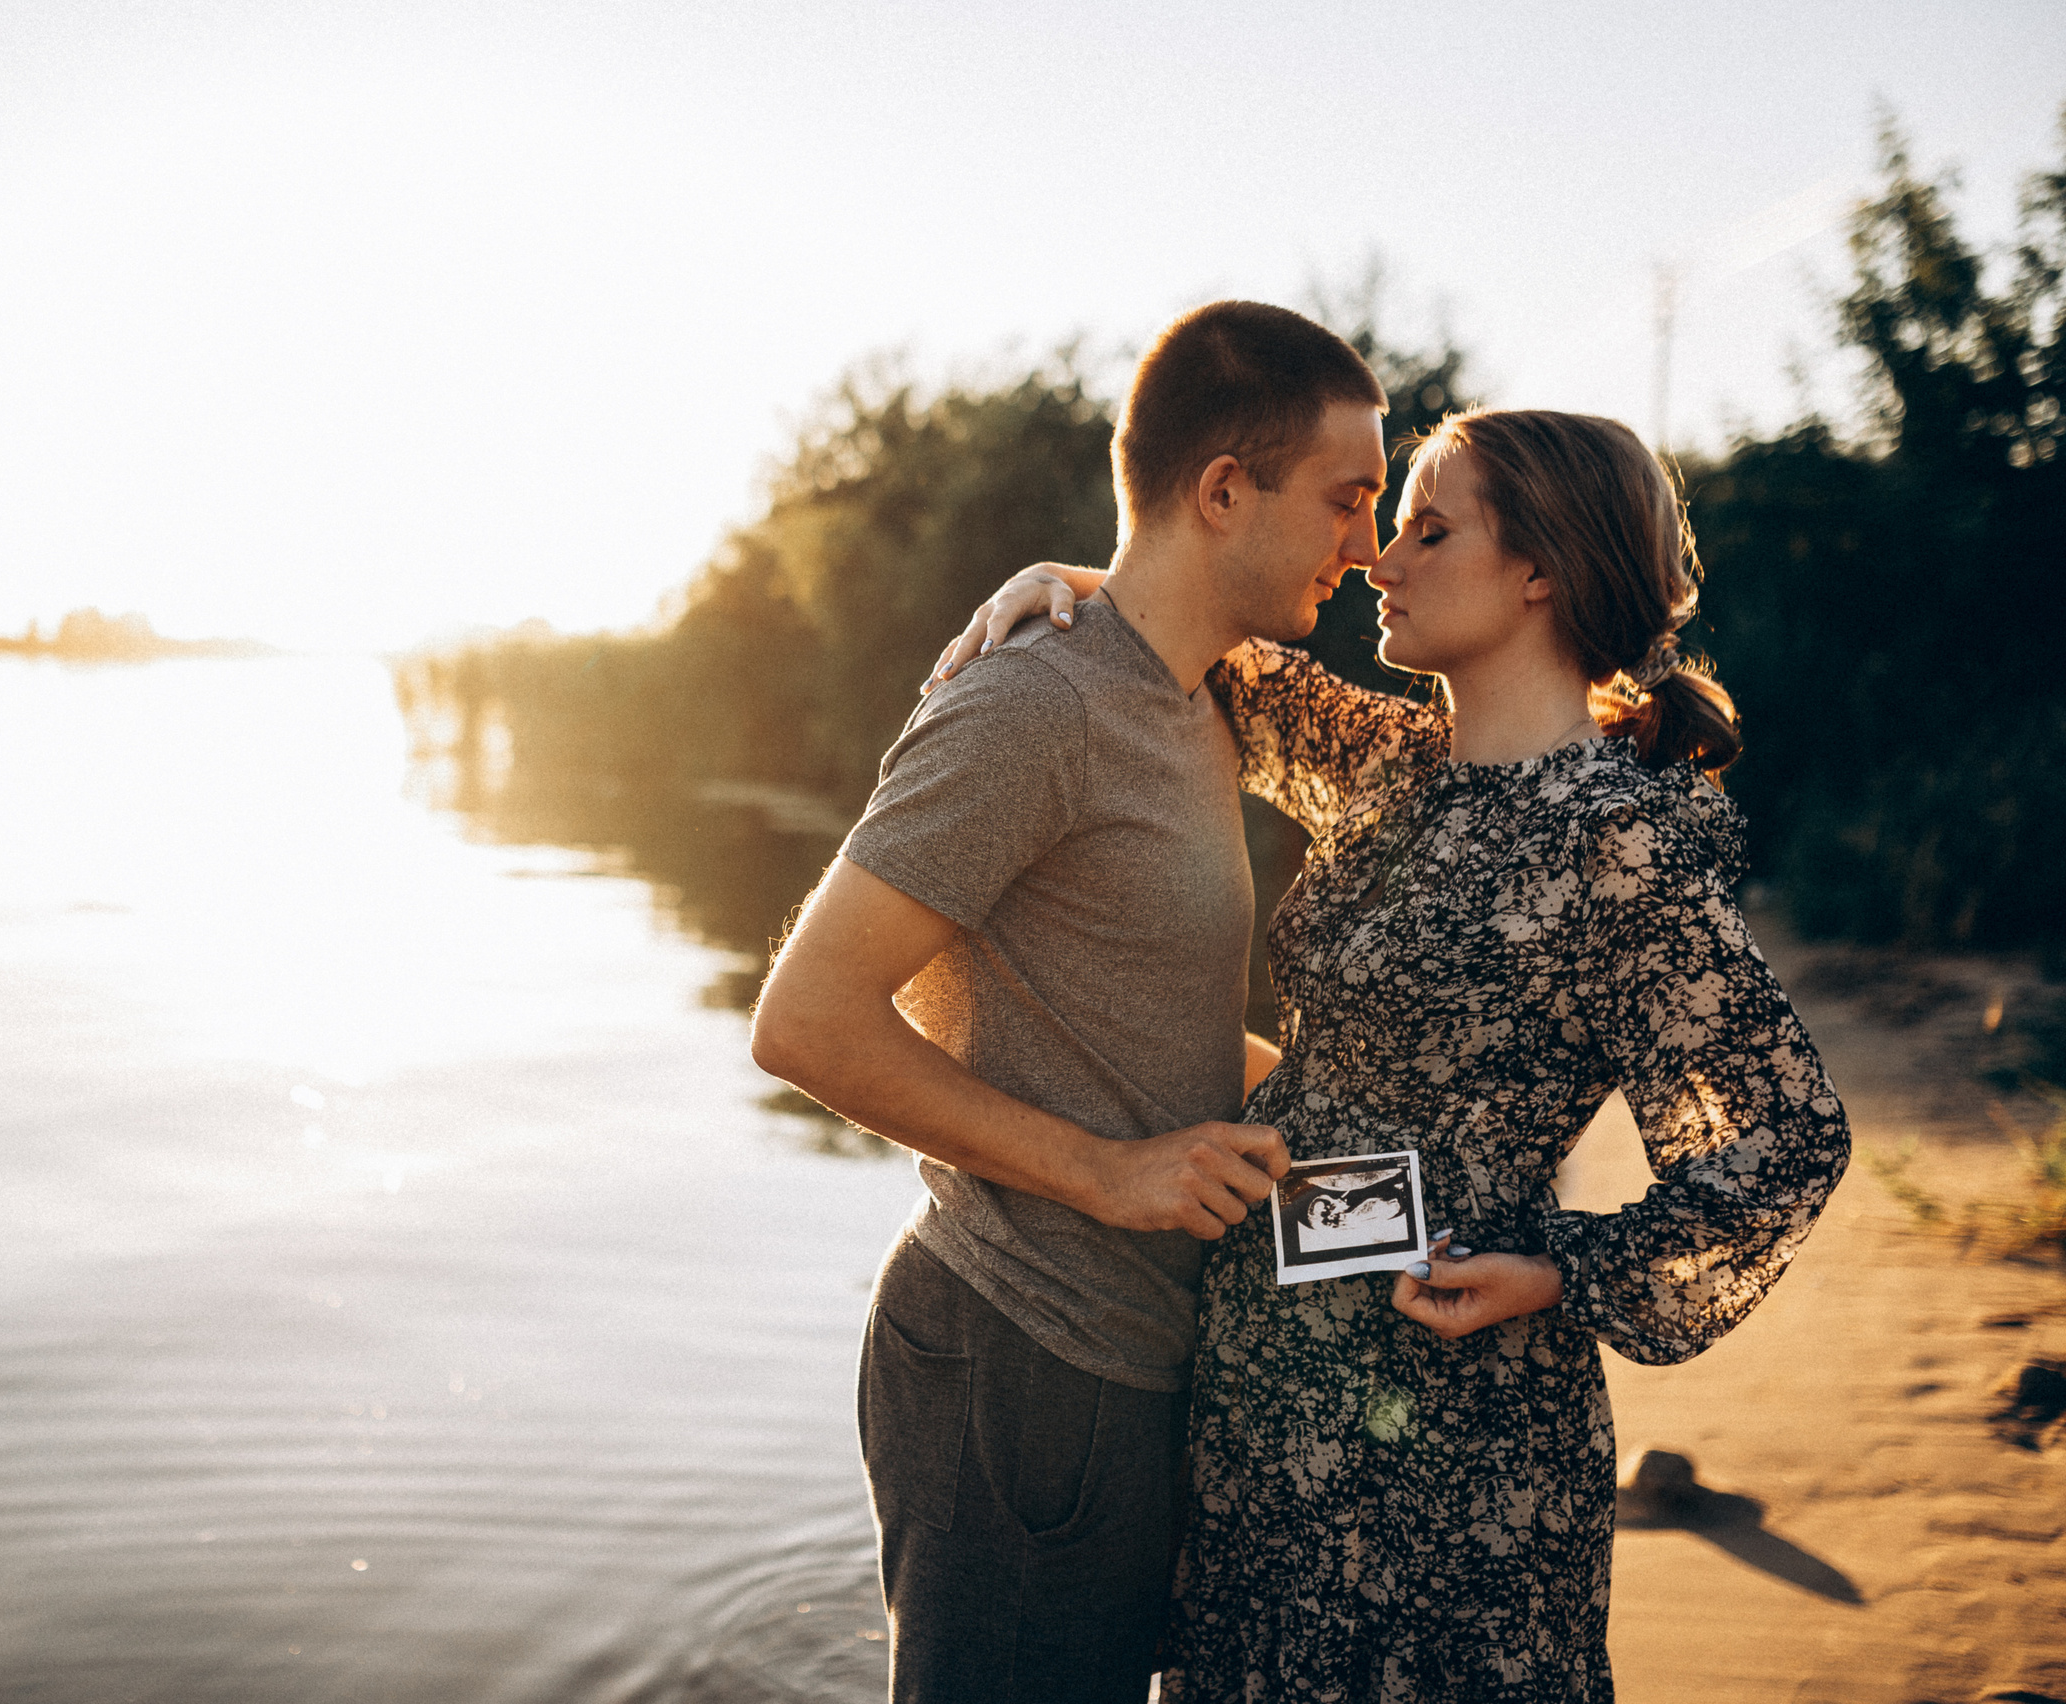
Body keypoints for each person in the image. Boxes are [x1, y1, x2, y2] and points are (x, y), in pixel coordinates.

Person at [938, 407, 1851, 1700]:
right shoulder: (1392, 766)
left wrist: (1557, 1267)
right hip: (1266, 1377)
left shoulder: (1621, 842)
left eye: (1427, 530)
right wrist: (1075, 584)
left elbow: (1788, 1139)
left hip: (1459, 1420)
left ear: (1541, 572)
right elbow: (1200, 645)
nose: (1381, 560)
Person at [747, 300, 1393, 1703]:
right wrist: (1108, 1174)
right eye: (1349, 499)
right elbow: (805, 1020)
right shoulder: (1034, 706)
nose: (1369, 545)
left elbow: (1111, 1008)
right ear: (1225, 492)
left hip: (1121, 1358)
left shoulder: (1191, 700)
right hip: (1019, 1355)